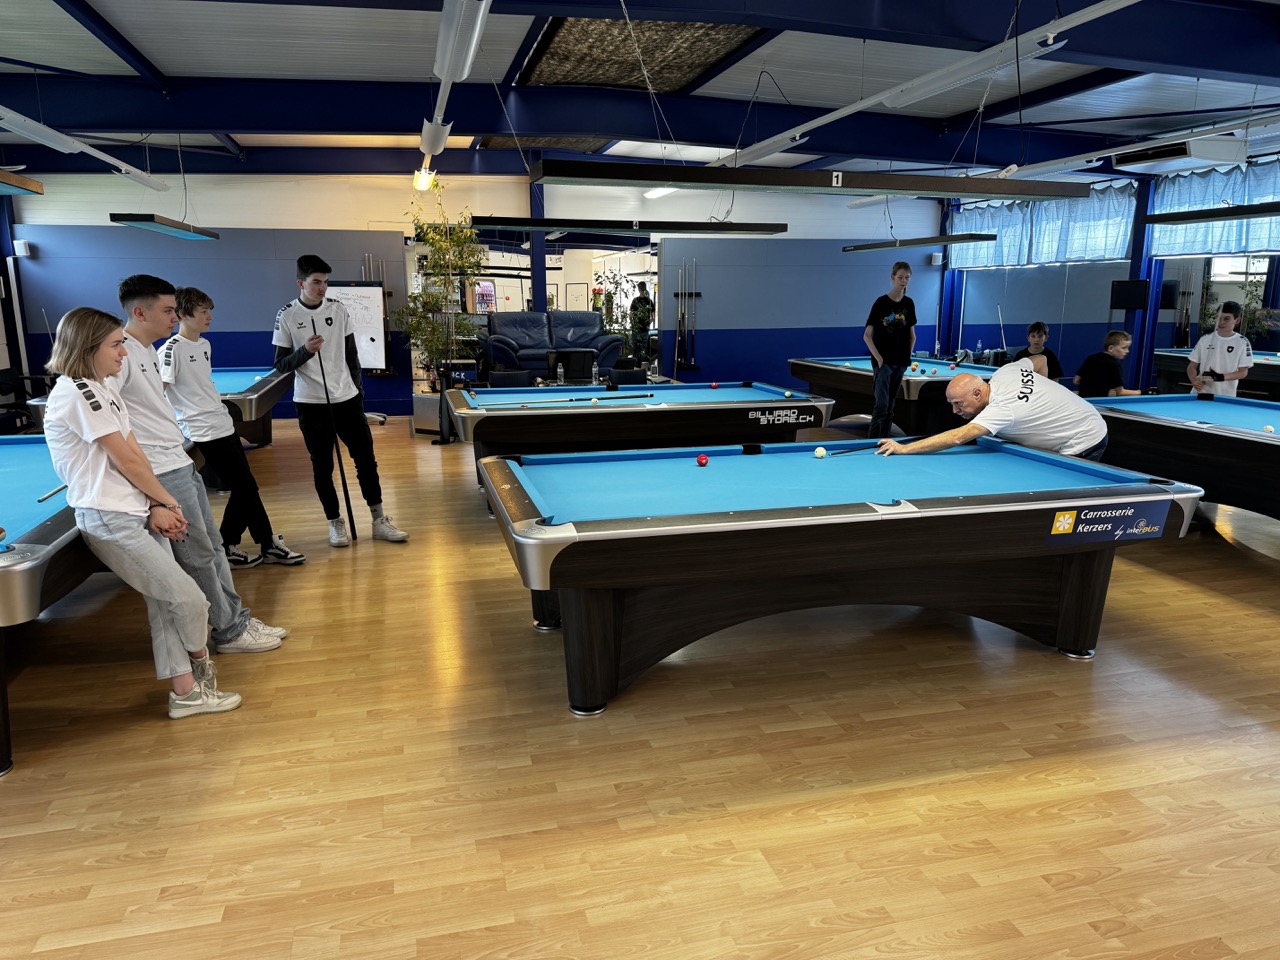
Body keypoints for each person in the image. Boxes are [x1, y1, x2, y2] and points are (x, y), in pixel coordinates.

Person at [42, 307, 241, 718]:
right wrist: (169, 502)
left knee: (165, 604)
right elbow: (127, 462)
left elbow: (136, 452)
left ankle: (185, 695)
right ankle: (203, 671)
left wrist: (156, 502)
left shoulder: (103, 388)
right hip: (109, 517)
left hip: (134, 509)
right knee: (189, 599)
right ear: (88, 347)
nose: (123, 353)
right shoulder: (77, 392)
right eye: (116, 345)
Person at [117, 274, 286, 654]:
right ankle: (229, 631)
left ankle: (235, 618)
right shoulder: (123, 354)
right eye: (168, 310)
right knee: (198, 554)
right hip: (162, 470)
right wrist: (154, 495)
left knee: (211, 547)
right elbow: (116, 427)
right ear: (140, 312)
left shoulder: (145, 350)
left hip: (177, 458)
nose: (174, 317)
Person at [162, 286, 306, 568]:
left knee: (247, 487)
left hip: (222, 424)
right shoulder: (171, 350)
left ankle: (252, 543)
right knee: (246, 487)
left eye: (209, 311)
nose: (210, 316)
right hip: (203, 430)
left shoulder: (204, 345)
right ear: (183, 314)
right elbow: (159, 392)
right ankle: (243, 543)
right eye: (204, 311)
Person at [273, 254, 409, 547]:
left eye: (325, 282)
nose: (322, 288)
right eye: (316, 282)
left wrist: (358, 392)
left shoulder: (338, 309)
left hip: (347, 399)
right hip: (311, 403)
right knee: (322, 467)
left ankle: (379, 520)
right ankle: (335, 522)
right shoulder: (287, 315)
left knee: (366, 460)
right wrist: (306, 352)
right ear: (300, 283)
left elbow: (351, 356)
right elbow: (281, 365)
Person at [876, 356, 1108, 460]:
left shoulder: (1001, 409)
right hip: (1085, 416)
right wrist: (1039, 395)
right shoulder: (1006, 372)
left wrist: (904, 448)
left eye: (958, 404)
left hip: (1084, 437)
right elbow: (1039, 360)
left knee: (1059, 493)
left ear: (978, 393)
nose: (955, 411)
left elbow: (957, 437)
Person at [862, 261, 917, 438]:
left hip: (901, 362)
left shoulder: (909, 303)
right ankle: (871, 444)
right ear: (892, 277)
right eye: (900, 277)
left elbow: (912, 335)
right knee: (881, 406)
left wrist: (907, 356)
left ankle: (884, 441)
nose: (904, 281)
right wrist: (879, 359)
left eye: (907, 278)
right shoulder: (881, 303)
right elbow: (867, 336)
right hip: (883, 363)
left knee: (890, 407)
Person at [1188, 301, 1253, 396]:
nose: (1221, 322)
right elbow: (1191, 367)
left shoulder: (1242, 342)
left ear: (1237, 320)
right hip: (1201, 393)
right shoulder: (1205, 339)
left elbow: (1243, 372)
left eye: (1226, 319)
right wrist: (1194, 380)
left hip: (1225, 395)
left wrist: (1221, 377)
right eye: (1218, 318)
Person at [1074, 331, 1142, 398]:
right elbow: (1120, 392)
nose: (1127, 351)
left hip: (1081, 400)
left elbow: (1076, 381)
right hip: (1098, 402)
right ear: (1111, 348)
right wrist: (1141, 392)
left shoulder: (1091, 358)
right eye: (1124, 348)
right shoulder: (1114, 365)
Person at [628, 281, 655, 365]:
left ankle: (636, 368)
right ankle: (643, 369)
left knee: (635, 351)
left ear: (638, 289)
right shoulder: (649, 301)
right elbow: (653, 318)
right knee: (643, 351)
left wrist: (632, 324)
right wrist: (648, 324)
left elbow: (631, 315)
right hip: (645, 329)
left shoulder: (635, 300)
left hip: (636, 329)